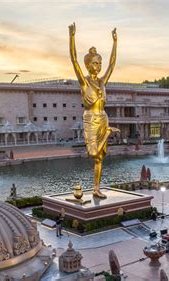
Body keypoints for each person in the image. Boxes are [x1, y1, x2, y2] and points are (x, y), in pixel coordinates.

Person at [68, 22, 120, 199]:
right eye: (95, 63)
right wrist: (72, 36)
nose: (98, 66)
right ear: (88, 64)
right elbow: (74, 59)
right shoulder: (84, 81)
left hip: (103, 117)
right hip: (91, 120)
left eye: (99, 63)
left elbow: (112, 64)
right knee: (92, 152)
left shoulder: (102, 81)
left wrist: (115, 42)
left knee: (99, 158)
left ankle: (96, 189)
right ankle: (108, 133)